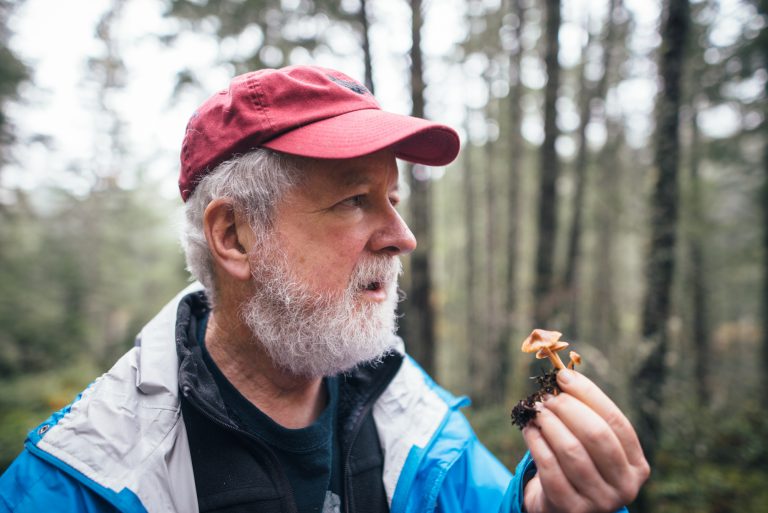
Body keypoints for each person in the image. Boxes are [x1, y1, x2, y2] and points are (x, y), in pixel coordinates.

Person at [0, 65, 649, 513]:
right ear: (234, 236)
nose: (402, 236)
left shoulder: (416, 423)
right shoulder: (83, 479)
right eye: (353, 201)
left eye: (393, 198)